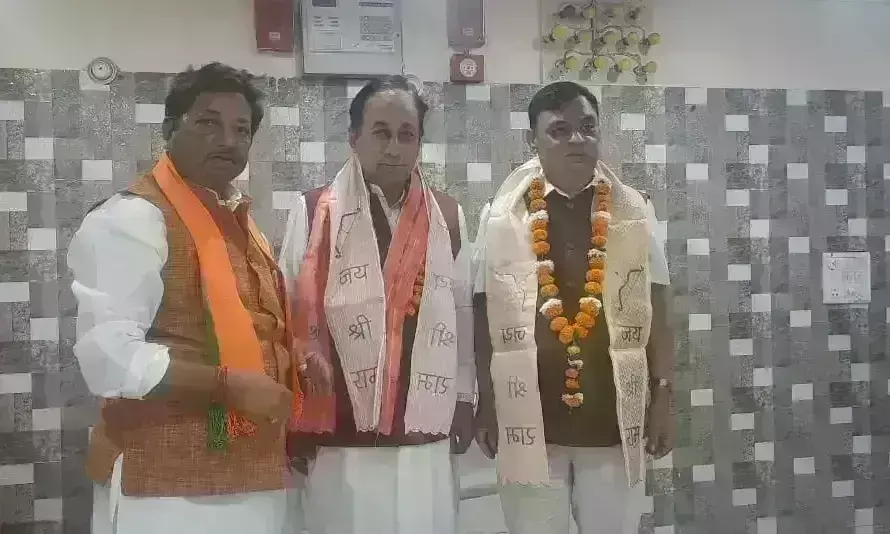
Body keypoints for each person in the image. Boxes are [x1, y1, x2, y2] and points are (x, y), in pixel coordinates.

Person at [68, 63, 305, 534]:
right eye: (208, 123)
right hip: (166, 488)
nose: (228, 140)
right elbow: (109, 358)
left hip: (253, 474)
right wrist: (225, 385)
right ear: (170, 129)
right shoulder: (133, 218)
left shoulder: (239, 222)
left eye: (242, 129)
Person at [472, 81, 675, 534]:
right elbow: (482, 313)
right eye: (559, 130)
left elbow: (659, 305)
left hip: (611, 415)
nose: (577, 140)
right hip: (529, 419)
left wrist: (663, 396)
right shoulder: (501, 216)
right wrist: (486, 401)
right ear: (533, 139)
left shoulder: (634, 211)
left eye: (587, 127)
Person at [278, 76, 475, 534]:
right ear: (354, 138)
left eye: (407, 135)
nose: (393, 148)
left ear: (419, 142)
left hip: (422, 425)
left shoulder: (447, 216)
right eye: (380, 133)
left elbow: (462, 313)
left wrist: (465, 398)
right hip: (337, 428)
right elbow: (289, 312)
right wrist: (293, 415)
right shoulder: (313, 211)